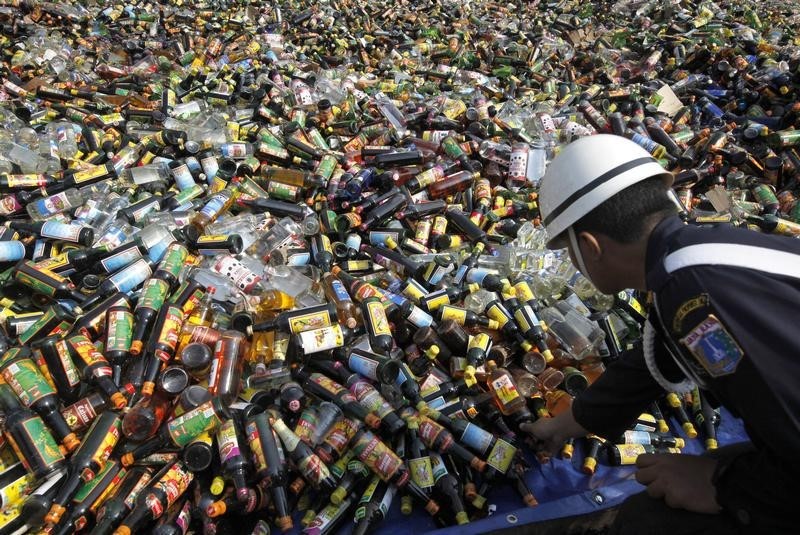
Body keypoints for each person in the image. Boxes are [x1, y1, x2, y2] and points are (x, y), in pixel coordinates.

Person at [520, 134, 799, 534]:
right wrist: (567, 423)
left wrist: (722, 486)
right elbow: (656, 355)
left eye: (569, 252)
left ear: (590, 246)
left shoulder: (697, 291)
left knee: (645, 519)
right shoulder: (691, 261)